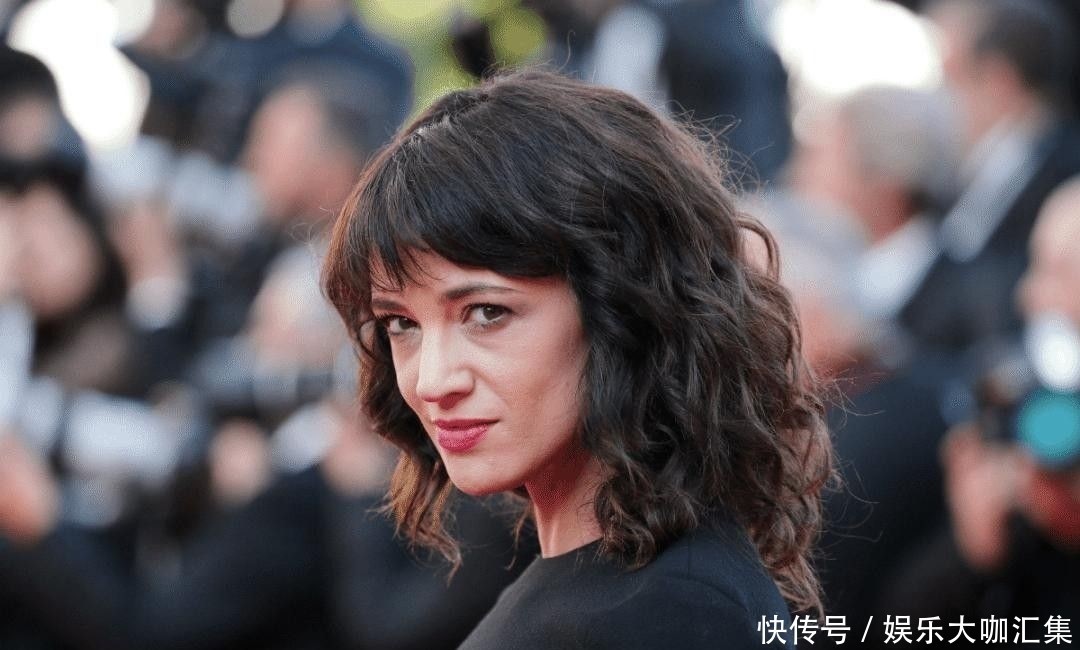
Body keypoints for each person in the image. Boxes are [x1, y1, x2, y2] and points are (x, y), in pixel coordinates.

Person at [322, 69, 833, 648]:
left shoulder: (670, 613)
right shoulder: (618, 588)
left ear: (625, 309)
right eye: (401, 324)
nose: (433, 380)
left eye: (487, 313)